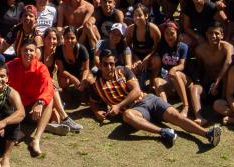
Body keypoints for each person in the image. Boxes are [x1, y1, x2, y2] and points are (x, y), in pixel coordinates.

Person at [91, 49, 222, 148]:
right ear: (100, 64)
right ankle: (163, 132)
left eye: (112, 64)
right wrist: (96, 111)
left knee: (176, 116)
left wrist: (118, 106)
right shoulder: (97, 85)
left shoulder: (123, 71)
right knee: (127, 115)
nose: (109, 67)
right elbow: (93, 101)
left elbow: (136, 91)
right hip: (136, 110)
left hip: (148, 99)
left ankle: (207, 134)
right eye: (106, 64)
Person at [7, 43, 62, 158]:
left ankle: (36, 139)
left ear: (36, 53)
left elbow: (48, 88)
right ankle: (19, 131)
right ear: (20, 52)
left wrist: (40, 102)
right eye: (25, 50)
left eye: (31, 50)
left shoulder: (41, 68)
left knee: (49, 100)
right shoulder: (11, 65)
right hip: (16, 108)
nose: (28, 53)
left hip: (33, 109)